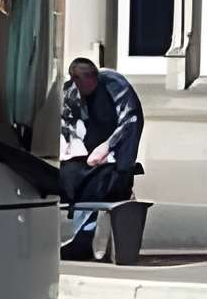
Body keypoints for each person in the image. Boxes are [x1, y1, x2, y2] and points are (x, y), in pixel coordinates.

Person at [59, 57, 145, 259]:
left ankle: (92, 239)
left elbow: (130, 121)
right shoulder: (71, 90)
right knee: (74, 177)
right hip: (88, 148)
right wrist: (71, 148)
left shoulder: (116, 85)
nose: (81, 87)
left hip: (114, 152)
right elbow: (67, 123)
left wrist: (108, 147)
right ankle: (81, 240)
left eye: (85, 82)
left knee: (104, 180)